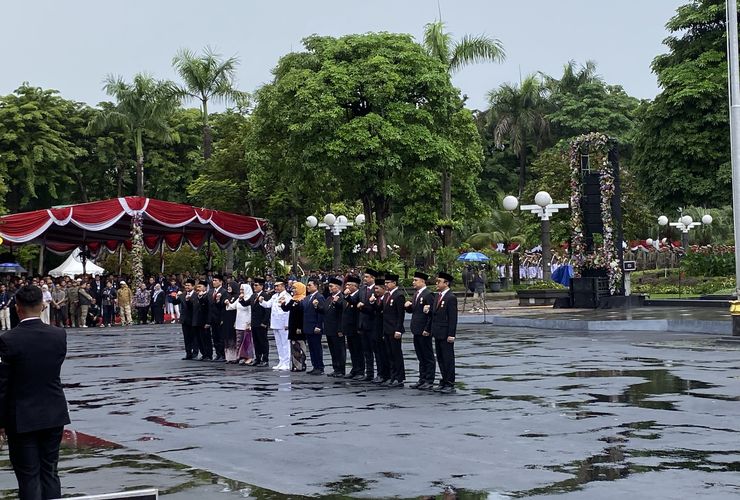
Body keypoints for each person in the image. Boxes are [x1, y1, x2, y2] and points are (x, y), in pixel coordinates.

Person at [0, 285, 70, 500]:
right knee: (50, 472)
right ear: (42, 306)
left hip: (22, 415)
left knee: (29, 475)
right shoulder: (58, 335)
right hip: (53, 411)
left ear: (17, 308)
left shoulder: (8, 339)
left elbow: (2, 385)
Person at [426, 272, 458, 394]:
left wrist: (451, 334)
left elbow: (453, 318)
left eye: (439, 281)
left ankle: (450, 382)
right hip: (437, 332)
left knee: (448, 359)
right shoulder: (438, 296)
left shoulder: (450, 297)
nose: (436, 283)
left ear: (446, 283)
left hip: (445, 333)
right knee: (440, 358)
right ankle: (444, 380)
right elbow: (434, 315)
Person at [405, 271, 435, 390]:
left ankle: (429, 379)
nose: (413, 282)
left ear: (422, 281)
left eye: (415, 280)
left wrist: (427, 329)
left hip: (424, 330)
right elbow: (415, 310)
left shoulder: (428, 294)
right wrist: (408, 307)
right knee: (420, 356)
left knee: (427, 356)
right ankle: (422, 379)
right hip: (416, 329)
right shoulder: (416, 294)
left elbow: (431, 314)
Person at [259, 280, 291, 371]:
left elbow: (287, 311)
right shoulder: (274, 296)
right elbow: (268, 305)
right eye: (275, 286)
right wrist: (262, 301)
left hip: (283, 323)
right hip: (275, 322)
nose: (276, 288)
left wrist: (287, 323)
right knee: (279, 343)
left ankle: (286, 362)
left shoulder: (287, 296)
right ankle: (281, 361)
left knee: (285, 343)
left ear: (283, 286)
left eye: (278, 286)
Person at [382, 273, 406, 388]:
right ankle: (392, 376)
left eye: (388, 283)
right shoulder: (387, 295)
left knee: (396, 354)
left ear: (394, 283)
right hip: (386, 329)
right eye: (385, 283)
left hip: (394, 329)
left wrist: (398, 329)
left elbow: (400, 315)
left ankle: (399, 377)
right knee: (389, 354)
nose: (386, 285)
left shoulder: (399, 295)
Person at [319, 277, 345, 377]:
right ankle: (336, 368)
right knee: (333, 350)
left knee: (339, 349)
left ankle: (341, 369)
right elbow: (325, 310)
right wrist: (317, 307)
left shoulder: (341, 297)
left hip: (337, 328)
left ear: (338, 287)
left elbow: (341, 314)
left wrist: (340, 329)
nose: (329, 288)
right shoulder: (329, 298)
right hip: (329, 328)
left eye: (331, 286)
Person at [243, 278, 270, 367]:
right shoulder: (253, 295)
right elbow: (245, 303)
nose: (254, 287)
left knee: (263, 341)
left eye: (256, 285)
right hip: (254, 322)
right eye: (253, 285)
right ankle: (258, 358)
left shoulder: (265, 295)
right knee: (256, 341)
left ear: (261, 286)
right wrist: (241, 299)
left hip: (261, 322)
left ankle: (265, 359)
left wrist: (265, 322)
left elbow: (267, 310)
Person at [356, 268, 377, 381]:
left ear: (373, 278)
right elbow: (355, 301)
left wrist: (363, 306)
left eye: (367, 277)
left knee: (377, 351)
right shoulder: (362, 289)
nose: (364, 279)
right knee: (366, 351)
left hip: (373, 323)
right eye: (364, 277)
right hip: (363, 323)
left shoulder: (377, 289)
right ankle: (369, 373)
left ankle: (380, 374)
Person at [342, 275, 364, 380]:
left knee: (358, 350)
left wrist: (346, 296)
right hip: (349, 328)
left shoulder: (358, 295)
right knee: (352, 350)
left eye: (349, 285)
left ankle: (360, 370)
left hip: (356, 327)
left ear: (355, 286)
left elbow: (353, 302)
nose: (346, 286)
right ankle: (354, 369)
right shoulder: (350, 296)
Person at [281, 281, 306, 371]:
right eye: (293, 288)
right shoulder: (293, 299)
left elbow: (302, 314)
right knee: (294, 346)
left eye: (295, 288)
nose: (294, 290)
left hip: (299, 326)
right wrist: (283, 303)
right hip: (292, 325)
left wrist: (300, 327)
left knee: (300, 346)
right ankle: (295, 365)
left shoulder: (303, 300)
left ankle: (301, 364)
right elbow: (286, 308)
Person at [303, 277, 325, 375]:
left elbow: (321, 313)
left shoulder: (319, 297)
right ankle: (315, 366)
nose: (308, 287)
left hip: (315, 326)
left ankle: (319, 366)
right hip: (308, 325)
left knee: (316, 347)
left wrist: (318, 325)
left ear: (316, 286)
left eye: (310, 285)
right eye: (307, 285)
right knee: (311, 347)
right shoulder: (307, 297)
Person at [175, 279, 198, 359]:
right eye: (186, 285)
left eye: (188, 285)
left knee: (194, 337)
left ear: (193, 286)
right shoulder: (182, 295)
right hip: (184, 319)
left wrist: (189, 299)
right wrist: (176, 295)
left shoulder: (196, 295)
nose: (187, 287)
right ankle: (188, 353)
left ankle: (195, 353)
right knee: (186, 337)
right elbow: (175, 302)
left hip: (193, 319)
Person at [206, 274, 227, 361]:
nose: (214, 282)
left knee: (221, 337)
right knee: (214, 337)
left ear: (220, 282)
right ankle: (218, 354)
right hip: (212, 317)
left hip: (220, 317)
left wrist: (223, 318)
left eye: (216, 280)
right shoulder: (210, 291)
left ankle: (223, 354)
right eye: (213, 280)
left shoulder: (224, 292)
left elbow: (224, 307)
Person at [234, 283, 254, 365]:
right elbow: (232, 306)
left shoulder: (250, 298)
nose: (241, 291)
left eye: (243, 289)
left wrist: (249, 323)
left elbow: (250, 312)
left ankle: (248, 357)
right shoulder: (240, 298)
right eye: (240, 289)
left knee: (246, 341)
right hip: (238, 322)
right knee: (239, 340)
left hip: (246, 322)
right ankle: (239, 356)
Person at [222, 281, 240, 363]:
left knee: (234, 337)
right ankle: (229, 357)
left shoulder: (237, 296)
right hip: (226, 319)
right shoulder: (227, 295)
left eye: (230, 286)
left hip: (234, 318)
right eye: (228, 286)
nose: (229, 287)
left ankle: (236, 357)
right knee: (227, 337)